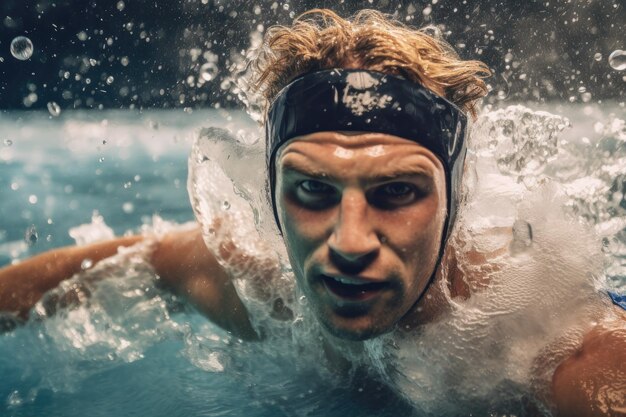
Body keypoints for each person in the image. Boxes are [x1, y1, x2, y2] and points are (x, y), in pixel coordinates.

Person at [0, 9, 624, 416]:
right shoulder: (261, 289)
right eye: (313, 192)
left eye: (398, 192)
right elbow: (136, 260)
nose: (350, 242)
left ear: (455, 200)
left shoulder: (551, 350)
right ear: (271, 195)